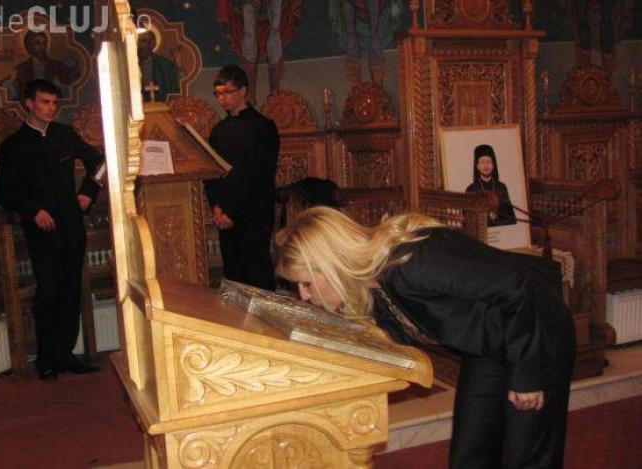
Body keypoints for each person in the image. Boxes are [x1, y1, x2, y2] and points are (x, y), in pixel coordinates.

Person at [275, 206, 576, 468]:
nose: (304, 296)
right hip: (488, 345)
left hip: (535, 329)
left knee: (528, 454)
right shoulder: (372, 286)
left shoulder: (413, 263)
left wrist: (528, 375)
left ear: (332, 266)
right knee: (470, 456)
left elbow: (519, 287)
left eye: (306, 284)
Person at [0, 79, 103, 381]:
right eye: (45, 102)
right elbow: (3, 191)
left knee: (71, 289)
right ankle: (46, 359)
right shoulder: (14, 145)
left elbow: (100, 162)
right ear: (29, 104)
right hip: (41, 230)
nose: (51, 108)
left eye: (55, 103)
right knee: (48, 291)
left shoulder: (65, 135)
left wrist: (88, 192)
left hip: (71, 223)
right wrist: (33, 211)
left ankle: (66, 354)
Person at [204, 64, 280, 291]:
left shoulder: (263, 127)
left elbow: (259, 175)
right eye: (218, 93)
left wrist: (233, 212)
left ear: (243, 91)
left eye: (227, 92)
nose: (222, 98)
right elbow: (212, 172)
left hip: (253, 213)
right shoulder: (218, 131)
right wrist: (216, 207)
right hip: (225, 214)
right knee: (233, 276)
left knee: (256, 275)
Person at [4, 30, 79, 102]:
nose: (42, 47)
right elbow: (15, 94)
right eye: (37, 43)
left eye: (44, 43)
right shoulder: (22, 68)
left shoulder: (57, 65)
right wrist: (10, 82)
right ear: (29, 46)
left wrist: (60, 86)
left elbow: (71, 86)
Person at [465, 144, 517, 227]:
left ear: (493, 165)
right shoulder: (471, 190)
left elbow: (511, 218)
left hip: (500, 231)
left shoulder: (501, 187)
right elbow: (467, 219)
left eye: (488, 162)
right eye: (482, 162)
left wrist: (496, 218)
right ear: (477, 166)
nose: (486, 166)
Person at [137, 29, 180, 102]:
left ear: (152, 44)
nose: (140, 45)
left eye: (144, 41)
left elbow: (174, 90)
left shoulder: (165, 65)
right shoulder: (129, 65)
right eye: (137, 41)